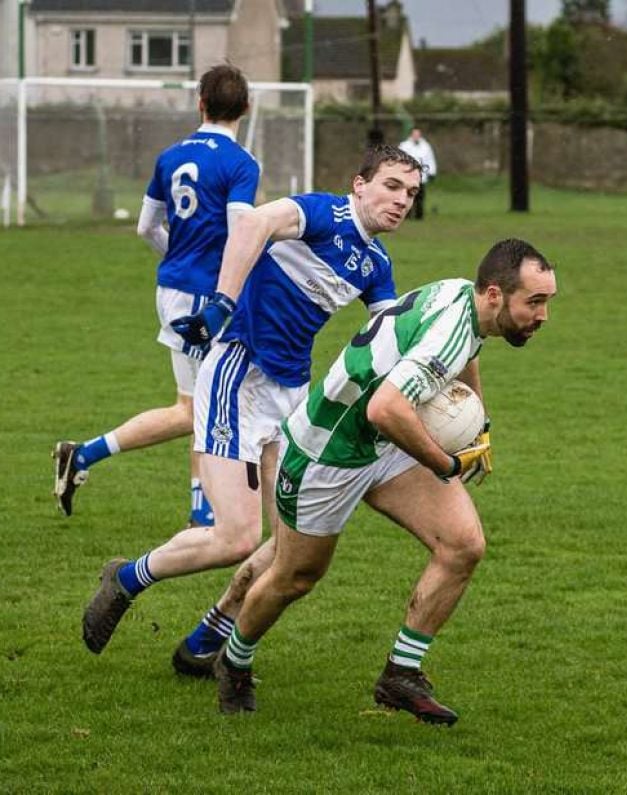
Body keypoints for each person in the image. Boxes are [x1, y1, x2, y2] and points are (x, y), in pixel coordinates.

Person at [81, 144, 423, 659]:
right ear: (360, 184)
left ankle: (208, 636)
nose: (402, 200)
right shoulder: (320, 212)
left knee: (292, 542)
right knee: (235, 538)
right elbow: (249, 226)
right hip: (239, 375)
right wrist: (222, 303)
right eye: (392, 186)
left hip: (292, 398)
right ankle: (127, 578)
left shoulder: (376, 263)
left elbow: (391, 336)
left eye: (412, 193)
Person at [212, 238, 557, 723]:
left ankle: (401, 673)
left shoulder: (467, 297)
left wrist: (478, 422)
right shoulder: (450, 333)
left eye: (547, 301)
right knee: (295, 576)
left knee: (462, 545)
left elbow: (467, 352)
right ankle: (233, 660)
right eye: (535, 302)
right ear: (497, 295)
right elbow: (386, 407)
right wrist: (445, 462)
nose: (542, 315)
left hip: (382, 442)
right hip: (326, 450)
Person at [53, 63, 259, 527]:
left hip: (171, 288)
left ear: (200, 103)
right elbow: (242, 229)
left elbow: (146, 226)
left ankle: (85, 457)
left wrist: (178, 254)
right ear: (246, 107)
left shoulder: (170, 157)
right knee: (205, 406)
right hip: (206, 299)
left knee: (196, 407)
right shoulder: (240, 164)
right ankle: (201, 513)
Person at [399, 127, 436, 220]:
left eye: (418, 134)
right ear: (411, 135)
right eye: (414, 134)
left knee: (420, 196)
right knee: (407, 195)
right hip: (407, 175)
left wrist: (432, 172)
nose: (416, 136)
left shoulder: (425, 146)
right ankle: (407, 214)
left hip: (421, 175)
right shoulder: (404, 146)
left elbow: (430, 159)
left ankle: (419, 215)